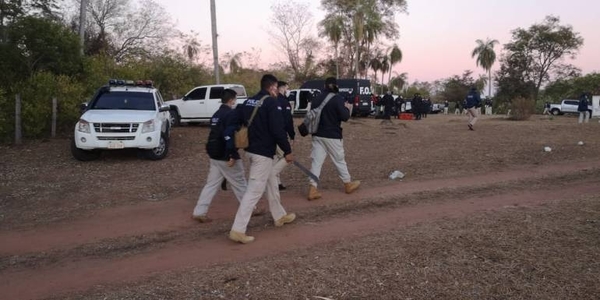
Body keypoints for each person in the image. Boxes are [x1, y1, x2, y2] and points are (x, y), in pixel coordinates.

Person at [228, 74, 295, 244]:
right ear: (272, 87)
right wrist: (287, 150)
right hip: (263, 154)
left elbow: (235, 120)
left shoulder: (249, 101)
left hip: (251, 150)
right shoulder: (271, 103)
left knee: (271, 180)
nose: (278, 92)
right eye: (277, 88)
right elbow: (278, 130)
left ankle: (279, 216)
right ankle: (238, 229)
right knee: (254, 192)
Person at [192, 89, 246, 223]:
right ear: (231, 100)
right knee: (240, 183)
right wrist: (232, 154)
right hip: (224, 154)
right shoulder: (230, 114)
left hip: (214, 154)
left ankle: (199, 211)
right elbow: (228, 136)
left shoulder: (216, 114)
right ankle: (251, 208)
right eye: (235, 99)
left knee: (211, 184)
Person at [307, 77, 360, 201]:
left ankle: (312, 189)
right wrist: (347, 107)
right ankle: (347, 184)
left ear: (324, 85)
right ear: (336, 86)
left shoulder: (316, 98)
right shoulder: (337, 99)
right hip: (332, 135)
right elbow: (345, 117)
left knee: (316, 162)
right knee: (339, 160)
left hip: (317, 134)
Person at [274, 81, 295, 191]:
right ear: (281, 88)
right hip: (280, 134)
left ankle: (277, 183)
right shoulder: (283, 102)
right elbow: (288, 121)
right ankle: (271, 177)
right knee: (285, 158)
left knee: (275, 158)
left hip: (271, 135)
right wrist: (292, 135)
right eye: (287, 88)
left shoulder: (271, 100)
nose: (288, 90)